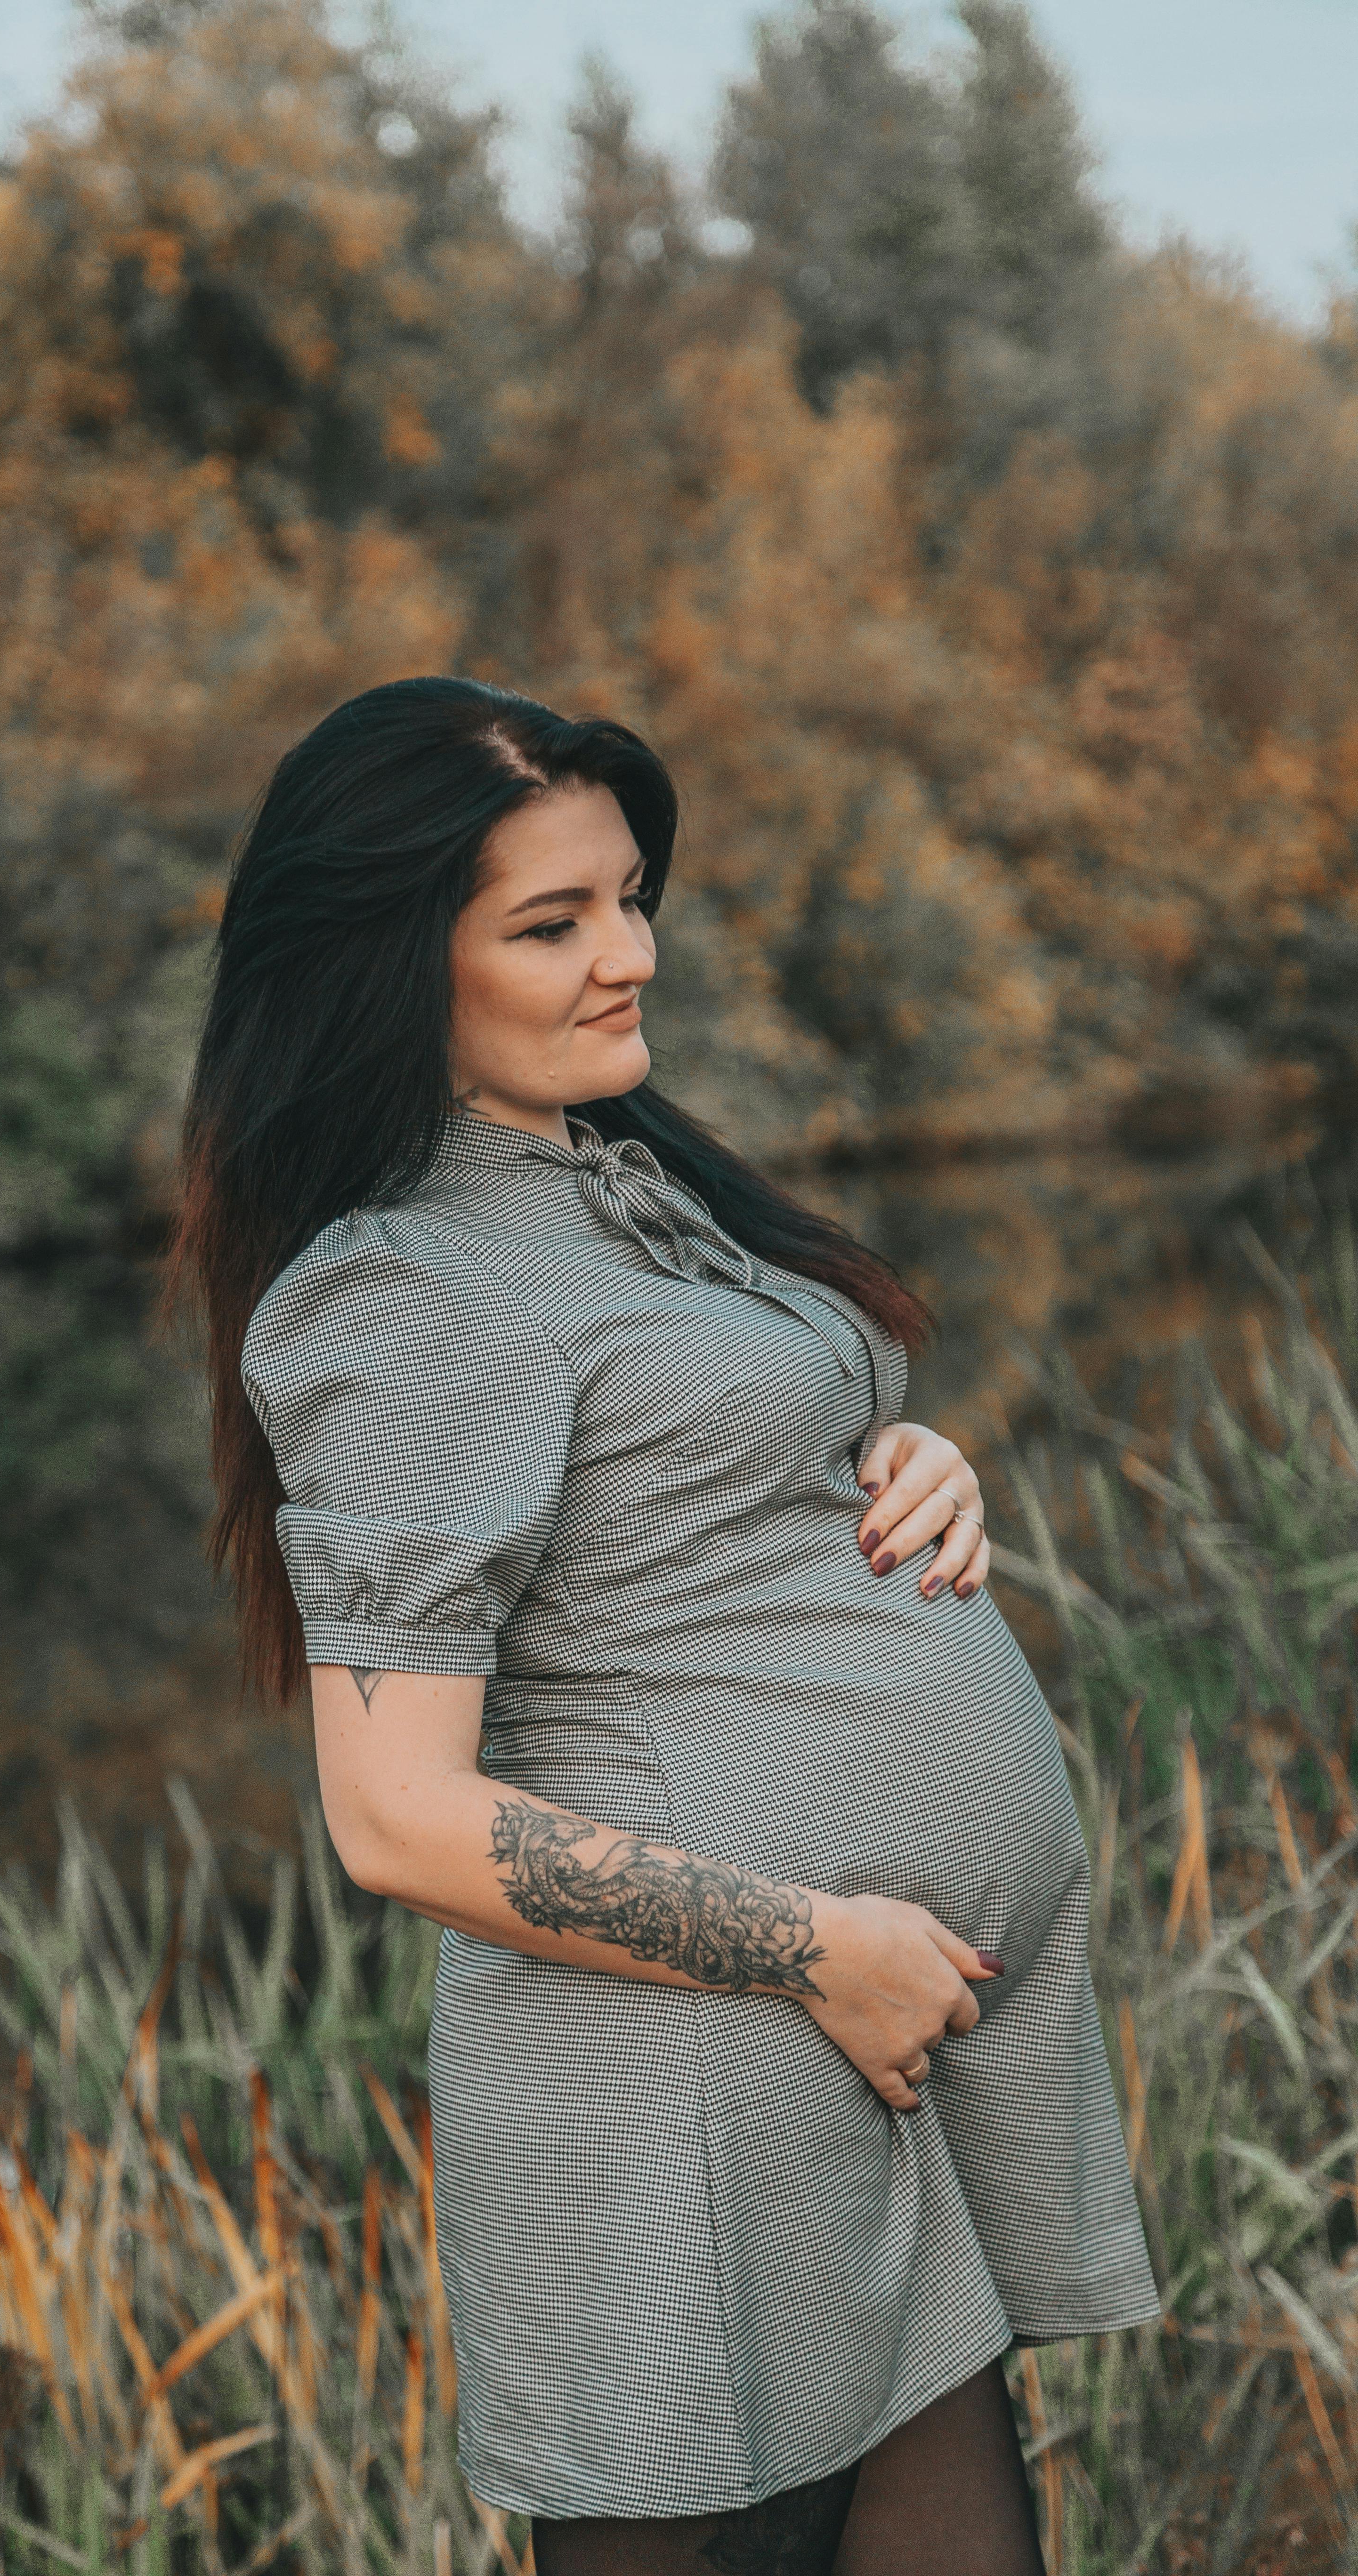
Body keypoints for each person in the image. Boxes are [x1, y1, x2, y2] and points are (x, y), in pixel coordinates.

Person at [170, 677, 1158, 2576]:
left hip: (852, 2067)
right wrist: (817, 1949)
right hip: (687, 2117)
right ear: (390, 965)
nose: (629, 955)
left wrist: (902, 1463)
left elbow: (692, 1467)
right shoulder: (405, 1289)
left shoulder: (615, 1182)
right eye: (551, 925)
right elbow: (398, 1819)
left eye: (632, 897)